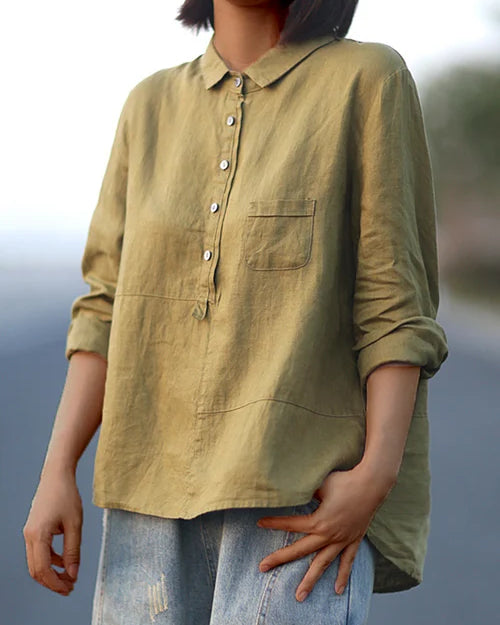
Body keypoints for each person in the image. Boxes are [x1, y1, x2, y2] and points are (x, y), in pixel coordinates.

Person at [23, 1, 449, 623]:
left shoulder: (367, 79)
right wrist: (57, 470)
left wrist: (374, 476)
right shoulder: (148, 106)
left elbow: (393, 301)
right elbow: (105, 306)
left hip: (299, 497)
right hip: (144, 497)